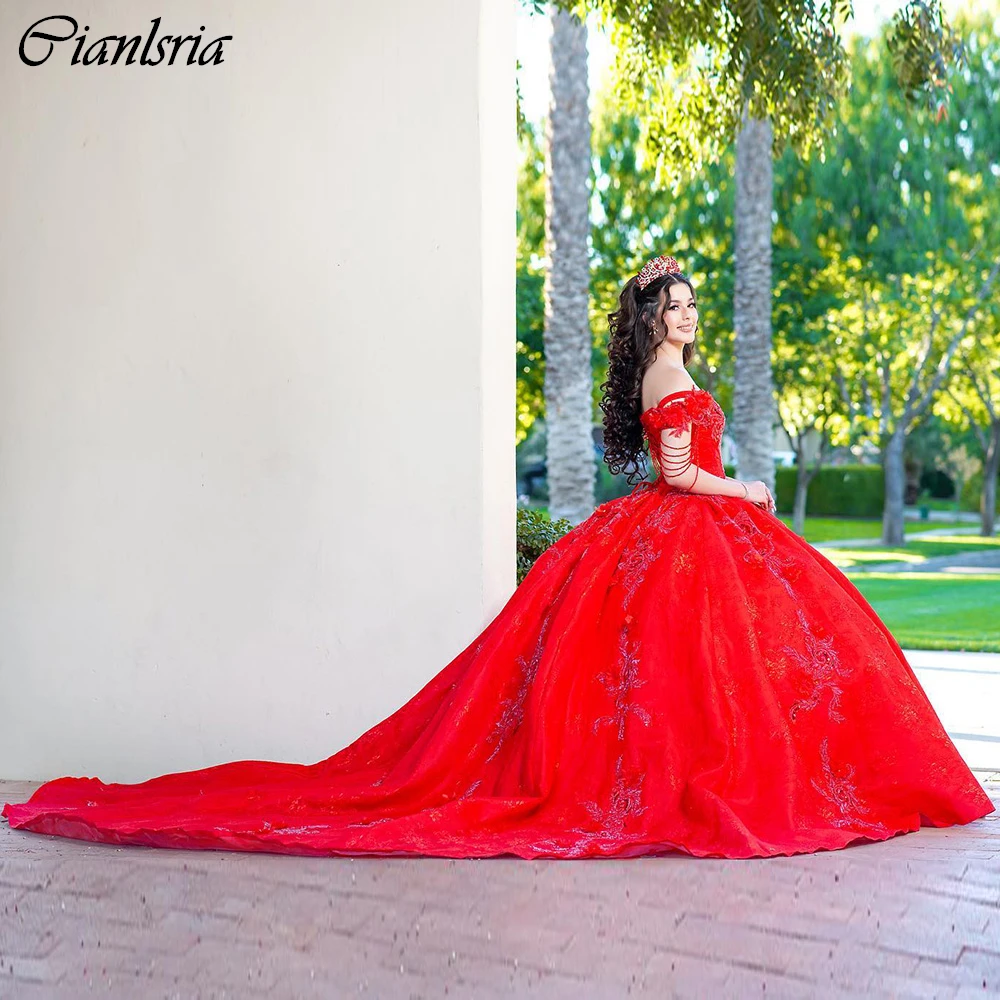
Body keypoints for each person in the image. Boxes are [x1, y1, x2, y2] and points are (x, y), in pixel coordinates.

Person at [3, 254, 993, 859]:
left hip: (692, 532)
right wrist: (744, 491)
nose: (689, 316)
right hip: (690, 521)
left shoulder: (673, 366)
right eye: (677, 307)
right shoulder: (660, 372)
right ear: (652, 321)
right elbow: (685, 473)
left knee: (715, 675)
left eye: (691, 306)